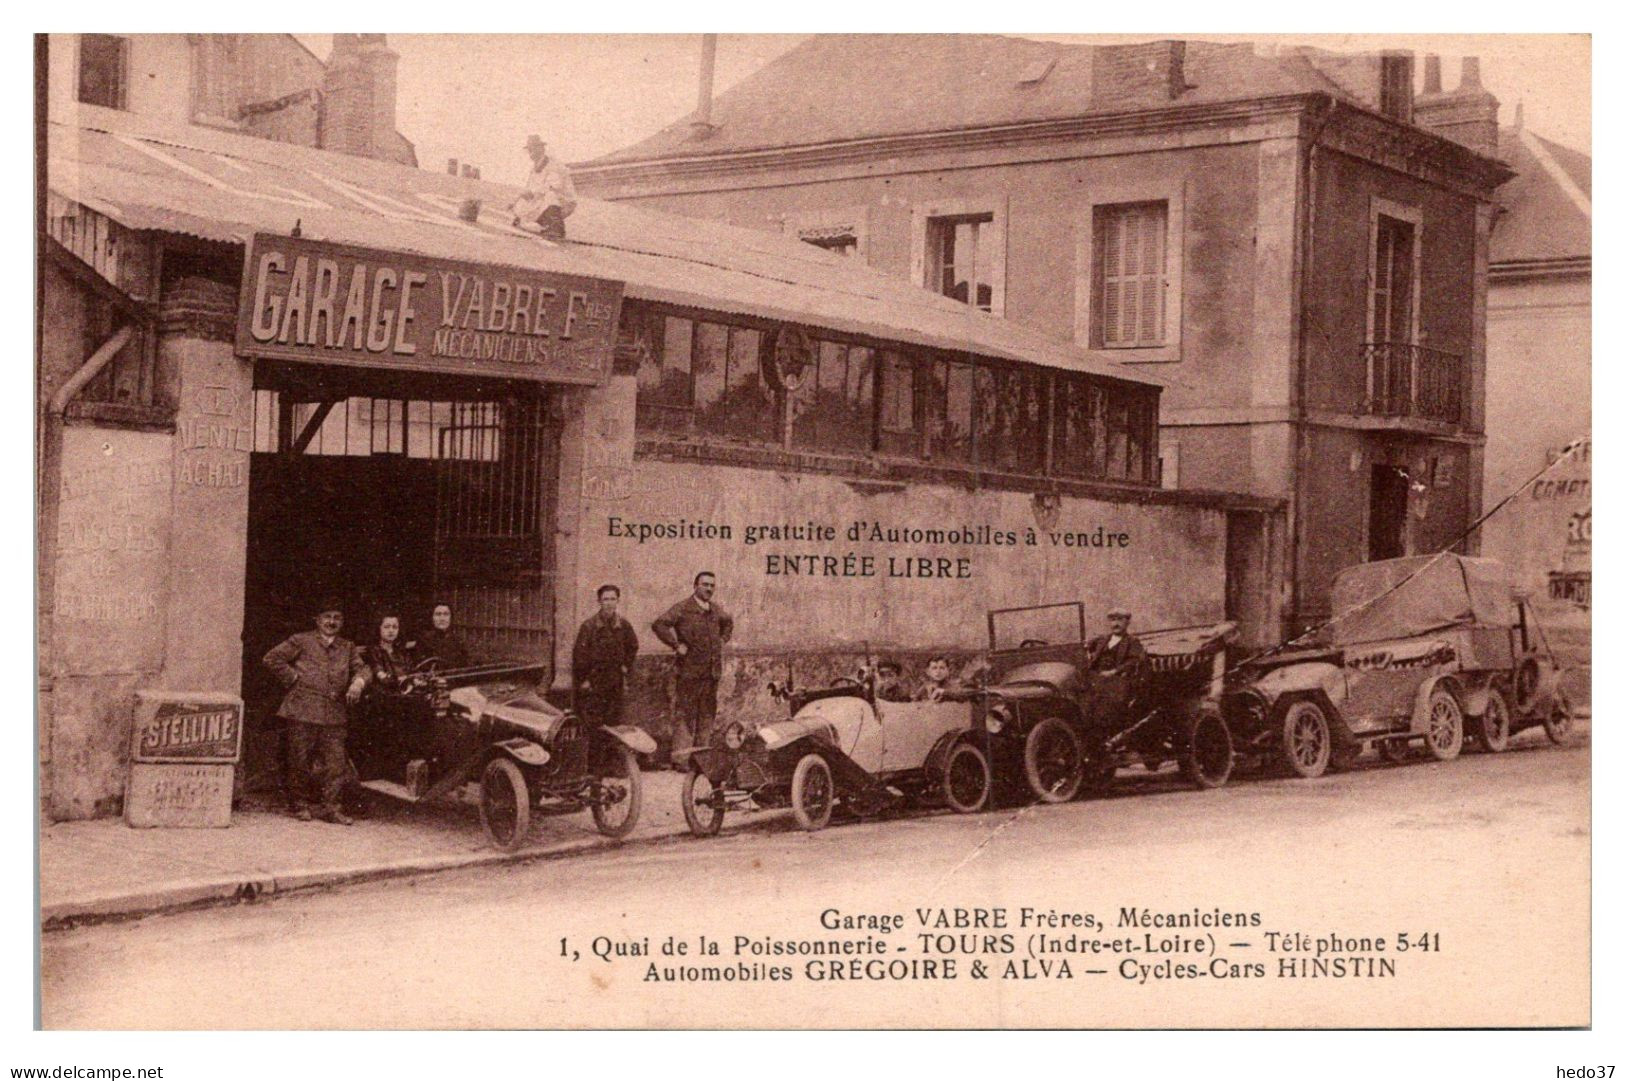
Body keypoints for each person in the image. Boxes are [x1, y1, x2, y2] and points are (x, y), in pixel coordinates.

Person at [263, 599, 370, 824]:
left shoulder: (347, 647)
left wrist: (358, 683)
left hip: (334, 713)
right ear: (317, 620)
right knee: (299, 759)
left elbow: (363, 668)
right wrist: (293, 679)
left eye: (337, 618)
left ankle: (332, 808)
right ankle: (299, 805)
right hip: (302, 710)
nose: (331, 622)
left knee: (336, 763)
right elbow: (272, 658)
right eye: (327, 617)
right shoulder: (301, 640)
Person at [651, 571, 734, 764]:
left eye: (712, 585)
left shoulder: (715, 610)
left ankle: (701, 760)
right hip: (689, 672)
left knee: (707, 716)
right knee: (686, 715)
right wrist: (675, 644)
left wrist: (722, 639)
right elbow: (660, 624)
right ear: (695, 586)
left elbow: (728, 622)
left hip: (711, 673)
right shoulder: (683, 608)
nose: (709, 589)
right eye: (705, 584)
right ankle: (681, 760)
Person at [571, 584, 639, 726]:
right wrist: (584, 679)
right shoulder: (589, 626)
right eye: (605, 599)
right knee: (594, 722)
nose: (609, 603)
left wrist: (626, 665)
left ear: (617, 601)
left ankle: (610, 748)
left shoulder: (624, 625)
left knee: (613, 720)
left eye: (613, 599)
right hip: (594, 681)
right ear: (599, 602)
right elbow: (579, 656)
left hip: (615, 680)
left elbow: (633, 646)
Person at [1079, 606, 1148, 729]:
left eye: (1120, 620)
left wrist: (1114, 671)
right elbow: (1084, 647)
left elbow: (1133, 661)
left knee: (1103, 708)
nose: (1115, 624)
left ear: (1127, 622)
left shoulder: (1132, 642)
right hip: (1096, 678)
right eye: (1112, 620)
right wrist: (1085, 648)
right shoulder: (1102, 639)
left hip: (1118, 681)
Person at [509, 134, 577, 241]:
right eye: (529, 150)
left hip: (563, 202)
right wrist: (516, 201)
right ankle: (543, 224)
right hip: (542, 198)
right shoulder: (534, 168)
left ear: (541, 148)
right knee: (520, 207)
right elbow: (529, 188)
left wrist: (534, 193)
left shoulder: (553, 164)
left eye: (534, 148)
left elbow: (554, 185)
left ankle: (557, 228)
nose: (531, 153)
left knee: (550, 196)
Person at [416, 603, 471, 670]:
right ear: (432, 618)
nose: (442, 619)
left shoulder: (458, 641)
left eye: (446, 614)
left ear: (451, 617)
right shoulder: (423, 640)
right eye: (438, 614)